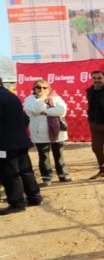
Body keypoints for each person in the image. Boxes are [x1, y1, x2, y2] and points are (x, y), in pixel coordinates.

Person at [0, 79, 43, 215]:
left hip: (5, 143)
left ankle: (17, 202)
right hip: (20, 140)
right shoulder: (10, 95)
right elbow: (25, 118)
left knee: (9, 173)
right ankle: (34, 197)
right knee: (25, 170)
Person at [23, 80, 73, 185]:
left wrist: (44, 112)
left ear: (49, 89)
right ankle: (47, 178)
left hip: (57, 131)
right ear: (34, 89)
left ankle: (63, 175)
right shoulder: (29, 99)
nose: (42, 89)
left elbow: (62, 111)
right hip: (39, 132)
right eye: (38, 87)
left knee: (59, 154)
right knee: (44, 156)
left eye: (45, 87)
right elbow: (33, 111)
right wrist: (41, 99)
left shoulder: (56, 97)